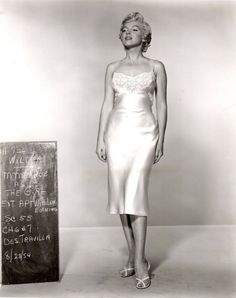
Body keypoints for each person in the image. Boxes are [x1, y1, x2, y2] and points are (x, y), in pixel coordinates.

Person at [96, 12, 167, 289]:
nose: (127, 32)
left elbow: (161, 104)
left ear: (144, 36)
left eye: (134, 29)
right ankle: (133, 253)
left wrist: (161, 138)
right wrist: (100, 138)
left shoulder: (156, 66)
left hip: (145, 133)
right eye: (124, 29)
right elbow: (106, 104)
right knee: (120, 195)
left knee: (136, 193)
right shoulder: (112, 67)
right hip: (116, 133)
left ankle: (139, 261)